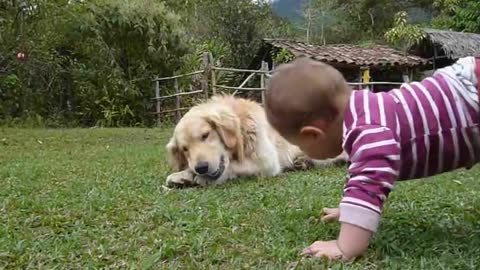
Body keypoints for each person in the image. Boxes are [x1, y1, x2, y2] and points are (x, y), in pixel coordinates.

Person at [264, 56, 480, 261]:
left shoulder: (369, 131)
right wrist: (351, 210)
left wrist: (345, 246)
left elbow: (369, 181)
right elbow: (362, 179)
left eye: (299, 145)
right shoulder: (365, 111)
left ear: (313, 134)